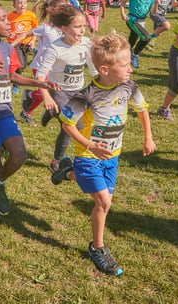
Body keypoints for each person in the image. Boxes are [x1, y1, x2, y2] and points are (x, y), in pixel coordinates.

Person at [55, 33, 155, 275]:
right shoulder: (86, 96)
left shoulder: (129, 86)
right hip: (89, 157)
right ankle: (97, 248)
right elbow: (66, 123)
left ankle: (68, 172)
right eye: (124, 65)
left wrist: (148, 137)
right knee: (104, 202)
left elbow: (142, 109)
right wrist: (89, 145)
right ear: (104, 69)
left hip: (113, 156)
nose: (130, 69)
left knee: (103, 201)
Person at [0, 3, 60, 224]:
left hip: (3, 111)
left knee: (19, 155)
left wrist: (39, 83)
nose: (9, 22)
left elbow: (13, 76)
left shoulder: (7, 48)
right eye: (3, 19)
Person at [35, 5, 97, 172]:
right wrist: (47, 97)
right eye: (77, 26)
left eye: (84, 26)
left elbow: (93, 69)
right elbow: (40, 75)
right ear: (64, 28)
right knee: (73, 125)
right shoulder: (55, 48)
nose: (82, 30)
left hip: (79, 91)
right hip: (59, 91)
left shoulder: (86, 44)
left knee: (69, 124)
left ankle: (52, 113)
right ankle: (57, 161)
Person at [11, 0, 68, 127]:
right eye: (63, 6)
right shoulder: (45, 28)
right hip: (41, 65)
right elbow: (25, 33)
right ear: (53, 10)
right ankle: (33, 102)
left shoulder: (66, 27)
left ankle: (29, 103)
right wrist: (11, 46)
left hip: (56, 66)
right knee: (48, 91)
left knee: (53, 91)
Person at [7, 0, 39, 95]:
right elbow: (5, 28)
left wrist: (32, 41)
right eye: (20, 3)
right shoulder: (9, 16)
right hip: (14, 43)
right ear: (14, 5)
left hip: (26, 44)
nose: (22, 5)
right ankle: (15, 84)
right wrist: (9, 33)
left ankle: (15, 80)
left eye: (24, 3)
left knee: (23, 65)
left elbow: (35, 30)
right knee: (20, 64)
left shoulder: (31, 15)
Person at [120, 0, 155, 68]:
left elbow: (152, 13)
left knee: (134, 36)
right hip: (132, 20)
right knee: (146, 37)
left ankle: (125, 53)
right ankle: (135, 55)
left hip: (142, 21)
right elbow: (123, 2)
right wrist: (122, 14)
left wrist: (156, 4)